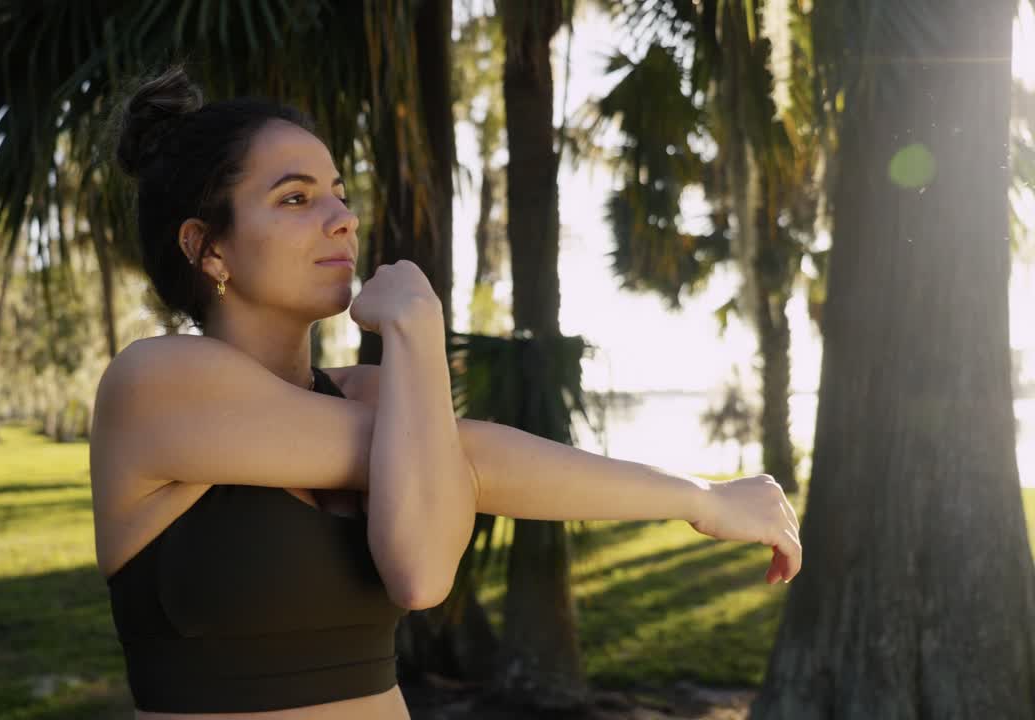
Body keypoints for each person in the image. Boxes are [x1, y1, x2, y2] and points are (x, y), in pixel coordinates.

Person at [89, 65, 802, 720]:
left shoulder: (371, 396)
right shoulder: (154, 385)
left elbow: (426, 551)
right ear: (207, 247)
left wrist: (703, 500)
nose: (343, 217)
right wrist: (419, 325)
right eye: (296, 197)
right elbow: (437, 543)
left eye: (339, 192)